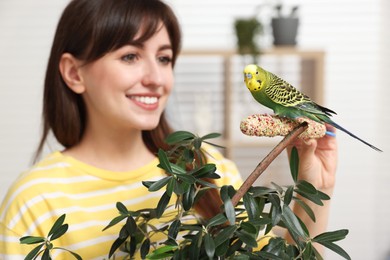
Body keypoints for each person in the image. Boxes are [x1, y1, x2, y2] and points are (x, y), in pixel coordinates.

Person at [0, 0, 338, 258]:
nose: (156, 78)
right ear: (75, 73)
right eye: (130, 56)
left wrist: (316, 188)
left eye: (164, 58)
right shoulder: (34, 201)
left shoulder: (210, 170)